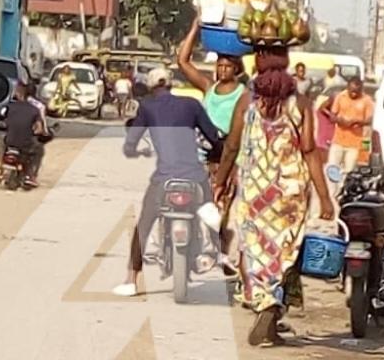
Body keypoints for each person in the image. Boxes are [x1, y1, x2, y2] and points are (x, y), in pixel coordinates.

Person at [214, 46, 335, 346]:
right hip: (291, 193)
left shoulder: (247, 101)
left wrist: (220, 180)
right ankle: (273, 308)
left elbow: (231, 146)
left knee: (256, 250)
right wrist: (325, 197)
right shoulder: (302, 103)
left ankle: (265, 306)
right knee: (286, 252)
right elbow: (309, 150)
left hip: (256, 190)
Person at [112, 68, 223, 297]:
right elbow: (213, 136)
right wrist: (216, 156)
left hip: (165, 179)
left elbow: (131, 141)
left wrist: (134, 150)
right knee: (212, 209)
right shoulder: (192, 104)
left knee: (144, 222)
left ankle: (132, 278)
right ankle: (219, 253)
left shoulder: (147, 107)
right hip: (194, 176)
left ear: (152, 87)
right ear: (171, 84)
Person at [178, 17, 248, 268]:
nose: (222, 70)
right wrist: (196, 26)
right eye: (219, 65)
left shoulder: (244, 94)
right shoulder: (209, 87)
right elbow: (183, 62)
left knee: (223, 206)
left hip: (229, 157)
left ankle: (220, 251)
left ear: (237, 69)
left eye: (228, 66)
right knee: (196, 202)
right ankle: (198, 246)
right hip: (202, 155)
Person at [323, 77, 374, 194]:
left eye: (356, 91)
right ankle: (331, 194)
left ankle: (342, 193)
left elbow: (369, 120)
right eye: (352, 91)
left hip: (354, 143)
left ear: (361, 89)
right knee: (332, 169)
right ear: (347, 88)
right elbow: (332, 115)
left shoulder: (366, 100)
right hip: (338, 141)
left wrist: (355, 121)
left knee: (348, 171)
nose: (354, 94)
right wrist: (340, 120)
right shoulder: (341, 97)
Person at [0, 82, 48, 187]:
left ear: (18, 94)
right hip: (26, 144)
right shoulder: (35, 109)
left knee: (0, 144)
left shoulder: (10, 106)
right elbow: (39, 130)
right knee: (39, 150)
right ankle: (30, 175)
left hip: (9, 141)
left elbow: (4, 119)